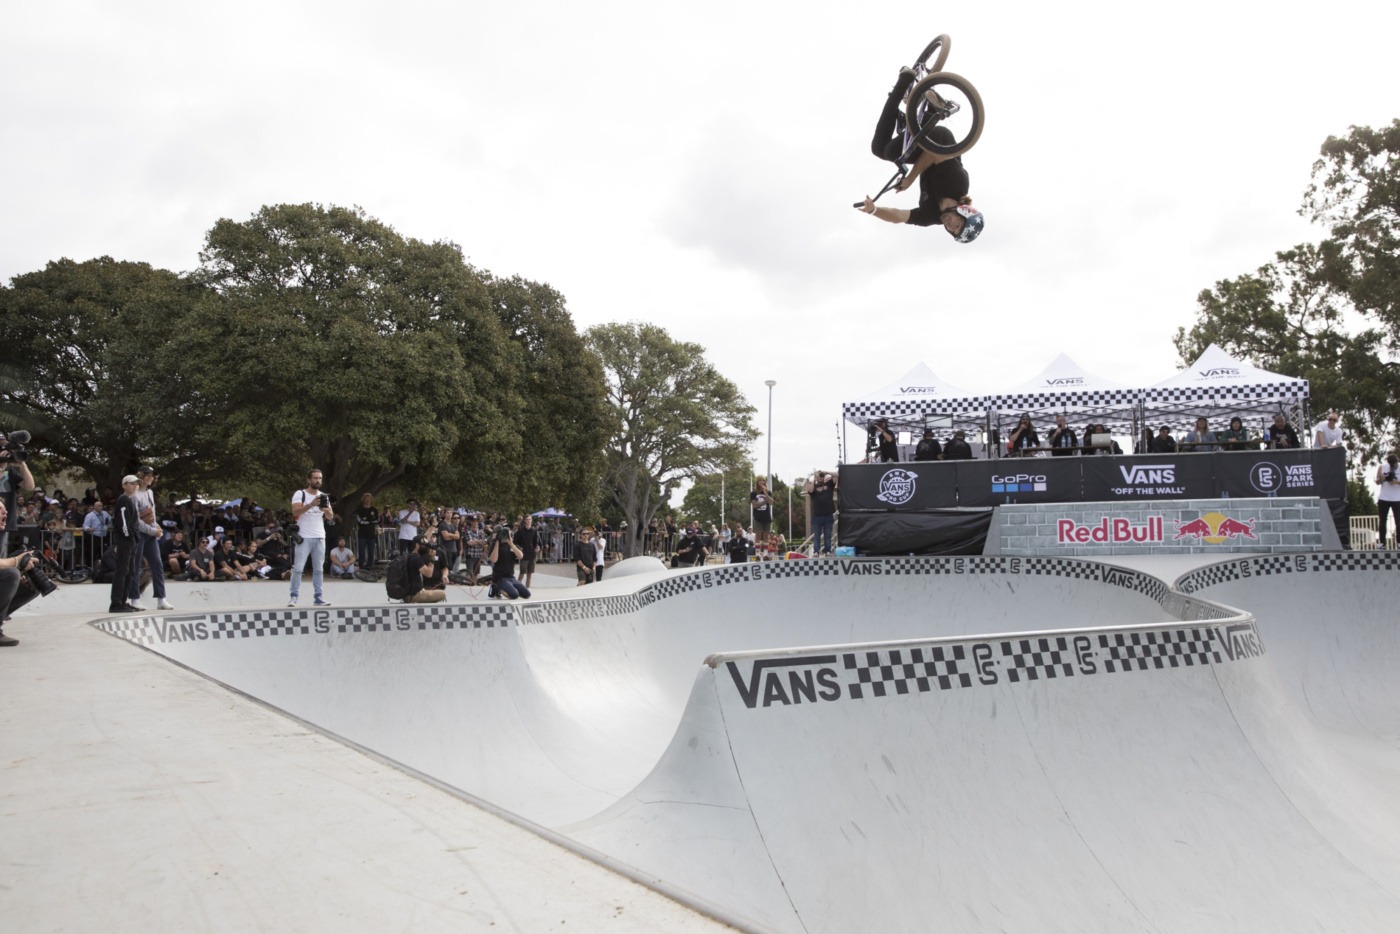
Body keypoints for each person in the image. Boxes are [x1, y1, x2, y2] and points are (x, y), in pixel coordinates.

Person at [857, 67, 984, 243]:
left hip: (924, 155)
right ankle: (924, 103)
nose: (949, 226)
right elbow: (934, 155)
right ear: (964, 213)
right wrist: (910, 178)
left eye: (952, 232)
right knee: (890, 152)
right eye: (957, 225)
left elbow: (899, 216)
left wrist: (874, 210)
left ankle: (910, 106)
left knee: (878, 149)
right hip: (938, 141)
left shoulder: (931, 215)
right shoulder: (958, 184)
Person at [288, 468, 334, 607]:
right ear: (309, 480)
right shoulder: (300, 493)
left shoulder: (323, 496)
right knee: (298, 568)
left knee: (319, 569)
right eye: (315, 478)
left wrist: (325, 509)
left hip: (319, 536)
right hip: (304, 537)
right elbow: (295, 511)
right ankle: (293, 596)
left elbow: (330, 516)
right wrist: (311, 504)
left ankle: (318, 597)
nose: (318, 481)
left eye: (320, 478)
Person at [128, 466, 172, 611]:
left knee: (157, 565)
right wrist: (153, 531)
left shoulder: (150, 492)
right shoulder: (134, 495)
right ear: (140, 476)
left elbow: (151, 514)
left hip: (150, 534)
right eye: (147, 475)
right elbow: (136, 521)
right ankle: (134, 599)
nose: (150, 477)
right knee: (136, 566)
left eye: (151, 475)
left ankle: (161, 599)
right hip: (139, 534)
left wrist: (156, 527)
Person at [0, 432, 36, 559]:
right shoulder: (4, 468)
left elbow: (30, 486)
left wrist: (22, 465)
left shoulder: (10, 470)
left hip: (3, 522)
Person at [108, 475, 141, 614]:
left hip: (130, 540)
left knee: (130, 571)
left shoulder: (130, 500)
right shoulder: (123, 500)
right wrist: (128, 536)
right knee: (122, 570)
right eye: (131, 484)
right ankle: (116, 603)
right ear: (124, 485)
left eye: (136, 484)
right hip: (125, 540)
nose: (135, 486)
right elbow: (122, 521)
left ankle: (123, 601)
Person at [487, 526, 531, 599]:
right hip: (499, 578)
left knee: (527, 594)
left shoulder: (513, 546)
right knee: (514, 595)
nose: (504, 536)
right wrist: (497, 542)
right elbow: (493, 560)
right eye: (502, 534)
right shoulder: (495, 546)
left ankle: (509, 588)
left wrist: (511, 543)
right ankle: (496, 587)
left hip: (511, 577)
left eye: (506, 534)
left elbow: (521, 556)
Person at [805, 470, 838, 556]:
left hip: (828, 515)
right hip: (817, 516)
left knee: (828, 535)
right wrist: (814, 477)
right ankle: (816, 551)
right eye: (819, 476)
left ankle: (828, 550)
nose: (821, 477)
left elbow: (837, 475)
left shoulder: (829, 484)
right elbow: (809, 490)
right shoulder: (813, 486)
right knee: (817, 536)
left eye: (822, 476)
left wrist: (826, 471)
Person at [403, 539, 446, 604]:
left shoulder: (408, 556)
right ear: (417, 545)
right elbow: (429, 574)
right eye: (424, 546)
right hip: (415, 594)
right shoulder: (416, 558)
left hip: (407, 593)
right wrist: (432, 557)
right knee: (443, 594)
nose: (426, 548)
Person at [1376, 454, 1400, 549]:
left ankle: (1399, 543)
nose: (1392, 466)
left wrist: (1395, 482)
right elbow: (1377, 481)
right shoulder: (1382, 466)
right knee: (1382, 521)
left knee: (1398, 522)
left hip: (1397, 499)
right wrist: (1382, 479)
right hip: (1383, 498)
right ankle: (1382, 543)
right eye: (1390, 464)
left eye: (1394, 464)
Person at [354, 493, 379, 570]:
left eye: (369, 499)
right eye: (366, 499)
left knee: (371, 552)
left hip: (371, 534)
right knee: (361, 552)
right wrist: (367, 521)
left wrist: (368, 521)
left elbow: (376, 520)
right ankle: (361, 567)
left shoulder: (374, 510)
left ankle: (370, 567)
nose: (368, 500)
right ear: (363, 499)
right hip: (362, 534)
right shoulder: (359, 509)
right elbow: (359, 521)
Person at [513, 514, 538, 589]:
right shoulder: (520, 531)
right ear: (524, 521)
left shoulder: (534, 530)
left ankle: (528, 589)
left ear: (532, 520)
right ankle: (517, 589)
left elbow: (535, 542)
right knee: (522, 573)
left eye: (529, 519)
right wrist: (519, 548)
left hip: (532, 554)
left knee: (529, 574)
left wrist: (537, 547)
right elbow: (515, 542)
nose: (528, 521)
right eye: (527, 519)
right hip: (524, 554)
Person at [750, 478, 775, 548]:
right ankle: (757, 554)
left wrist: (765, 492)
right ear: (757, 482)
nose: (762, 482)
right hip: (758, 517)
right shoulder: (754, 493)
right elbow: (755, 505)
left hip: (767, 517)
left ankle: (766, 554)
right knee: (758, 536)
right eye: (760, 480)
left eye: (763, 480)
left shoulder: (768, 492)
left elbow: (771, 502)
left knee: (766, 537)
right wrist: (765, 501)